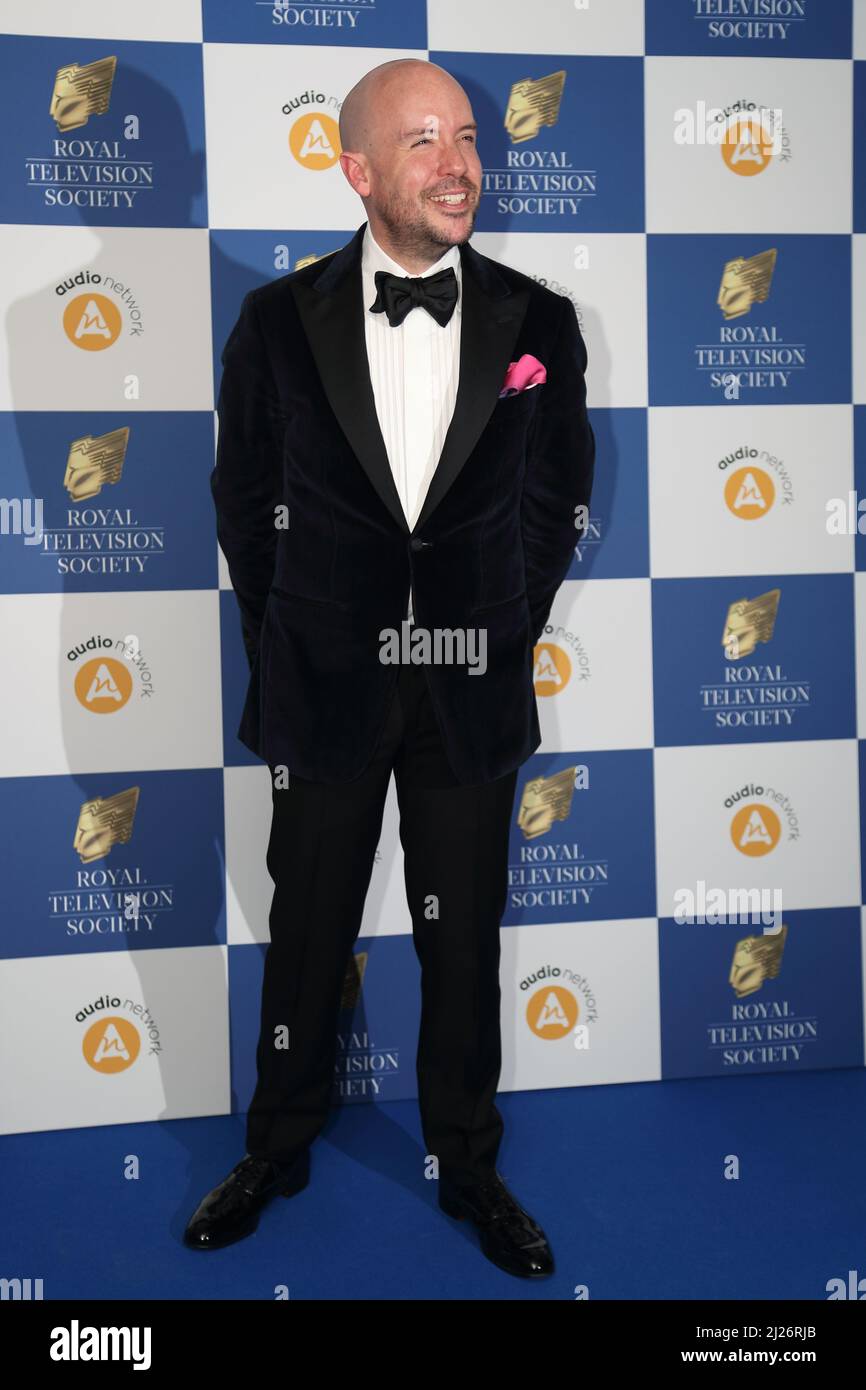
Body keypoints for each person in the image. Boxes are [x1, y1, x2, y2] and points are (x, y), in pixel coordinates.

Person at [185, 57, 595, 1280]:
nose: (458, 163)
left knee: (462, 942)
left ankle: (468, 1166)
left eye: (465, 136)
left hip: (470, 684)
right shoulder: (274, 320)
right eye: (422, 142)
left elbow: (552, 496)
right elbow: (240, 497)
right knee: (305, 931)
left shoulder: (538, 322)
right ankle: (277, 1146)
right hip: (324, 679)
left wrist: (496, 629)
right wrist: (297, 636)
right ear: (355, 170)